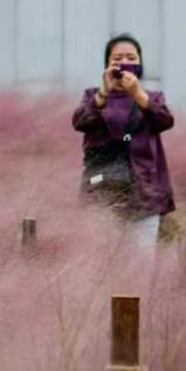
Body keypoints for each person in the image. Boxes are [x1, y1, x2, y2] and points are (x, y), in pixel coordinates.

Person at [72, 33, 176, 246]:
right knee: (99, 261)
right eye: (117, 59)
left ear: (140, 63)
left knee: (141, 264)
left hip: (144, 192)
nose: (125, 63)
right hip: (101, 186)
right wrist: (103, 93)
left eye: (131, 58)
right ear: (107, 65)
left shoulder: (153, 97)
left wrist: (138, 93)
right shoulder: (93, 95)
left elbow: (165, 120)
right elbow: (80, 122)